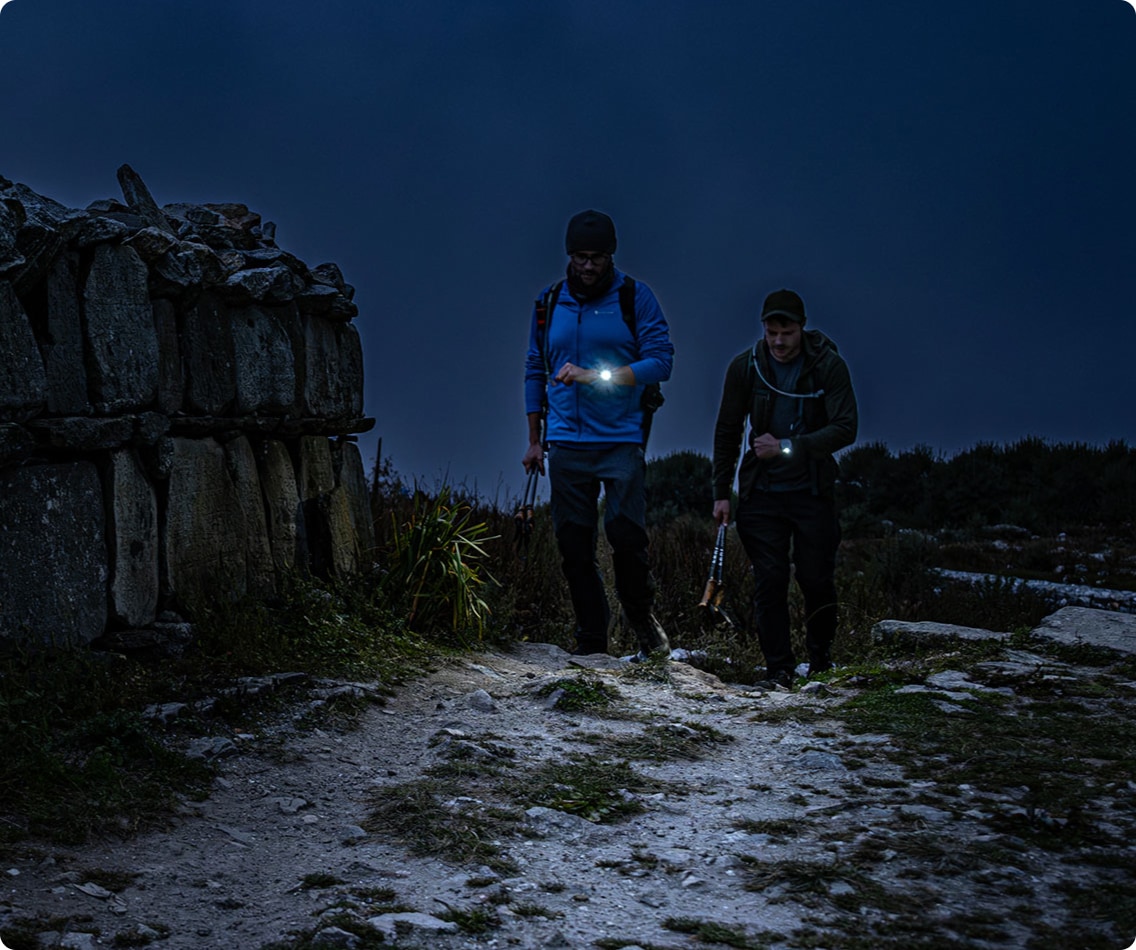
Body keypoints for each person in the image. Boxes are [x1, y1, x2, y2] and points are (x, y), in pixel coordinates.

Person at [523, 210, 674, 658]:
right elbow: (535, 368)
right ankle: (592, 641)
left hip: (621, 440)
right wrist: (534, 439)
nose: (588, 266)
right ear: (569, 255)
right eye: (580, 257)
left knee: (627, 539)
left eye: (597, 258)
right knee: (574, 545)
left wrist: (595, 376)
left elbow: (661, 361)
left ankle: (642, 621)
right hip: (566, 442)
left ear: (611, 256)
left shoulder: (634, 297)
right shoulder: (549, 303)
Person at [711, 288, 858, 687]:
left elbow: (846, 427)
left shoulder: (828, 366)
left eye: (787, 332)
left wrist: (789, 447)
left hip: (813, 491)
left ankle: (821, 663)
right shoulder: (746, 367)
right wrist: (721, 491)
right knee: (770, 579)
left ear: (801, 328)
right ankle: (779, 669)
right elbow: (727, 429)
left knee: (815, 578)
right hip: (761, 492)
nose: (778, 341)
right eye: (771, 332)